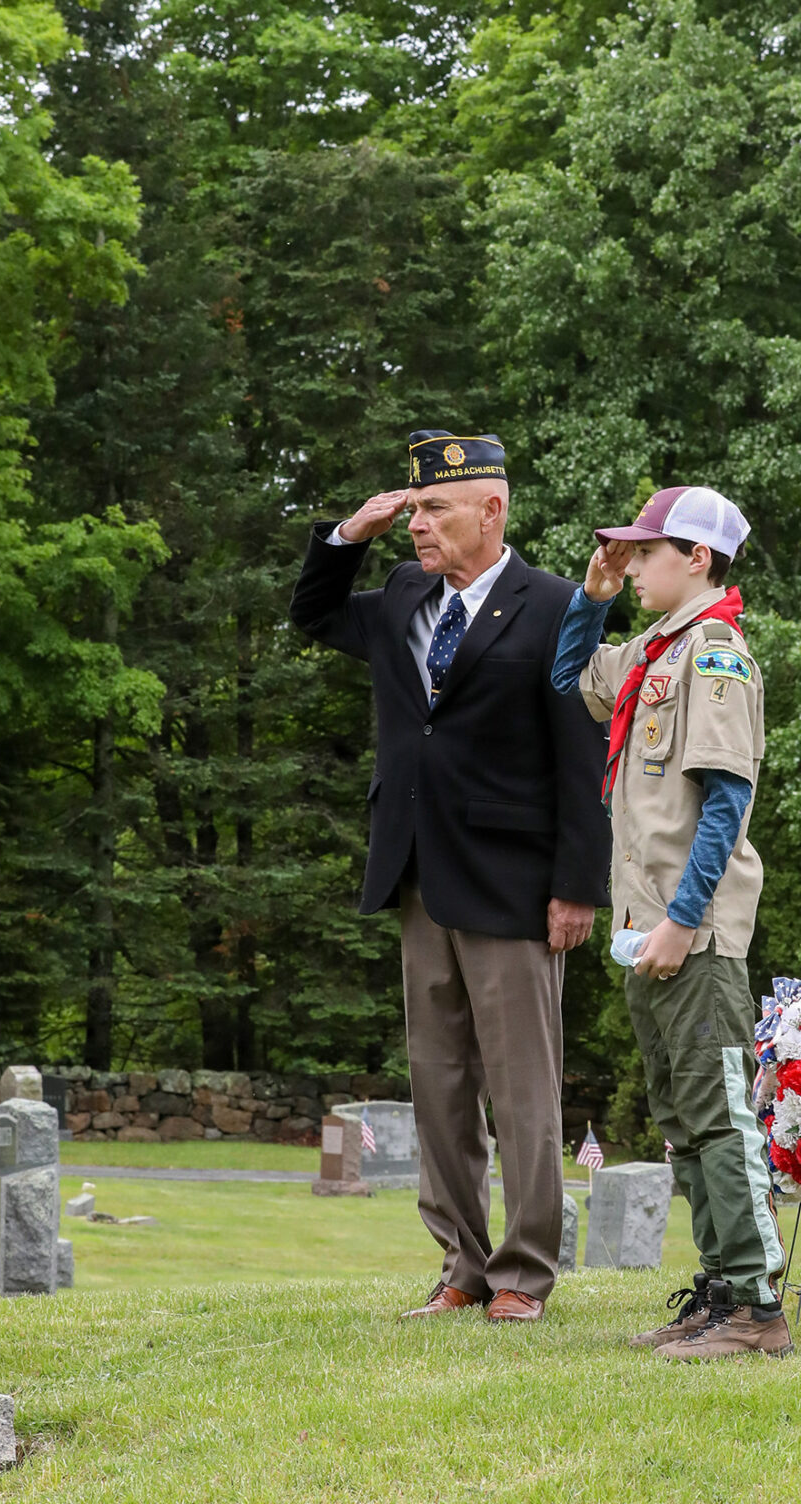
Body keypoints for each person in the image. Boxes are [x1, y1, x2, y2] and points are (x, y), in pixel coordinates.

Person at [289, 430, 609, 1322]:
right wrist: (349, 532)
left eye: (434, 509)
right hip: (418, 873)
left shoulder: (555, 607)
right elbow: (313, 614)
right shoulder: (398, 594)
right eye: (413, 507)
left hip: (514, 882)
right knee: (438, 1085)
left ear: (491, 509)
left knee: (521, 1090)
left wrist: (578, 883)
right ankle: (463, 1266)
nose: (417, 525)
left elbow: (582, 756)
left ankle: (523, 1273)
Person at [551, 484, 789, 1361]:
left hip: (692, 931)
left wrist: (684, 920)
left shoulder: (714, 652)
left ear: (697, 558)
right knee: (683, 1118)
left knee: (718, 1116)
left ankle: (757, 1312)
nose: (633, 561)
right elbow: (566, 677)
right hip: (645, 922)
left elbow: (728, 798)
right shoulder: (653, 651)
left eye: (646, 551)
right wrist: (594, 597)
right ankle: (719, 1293)